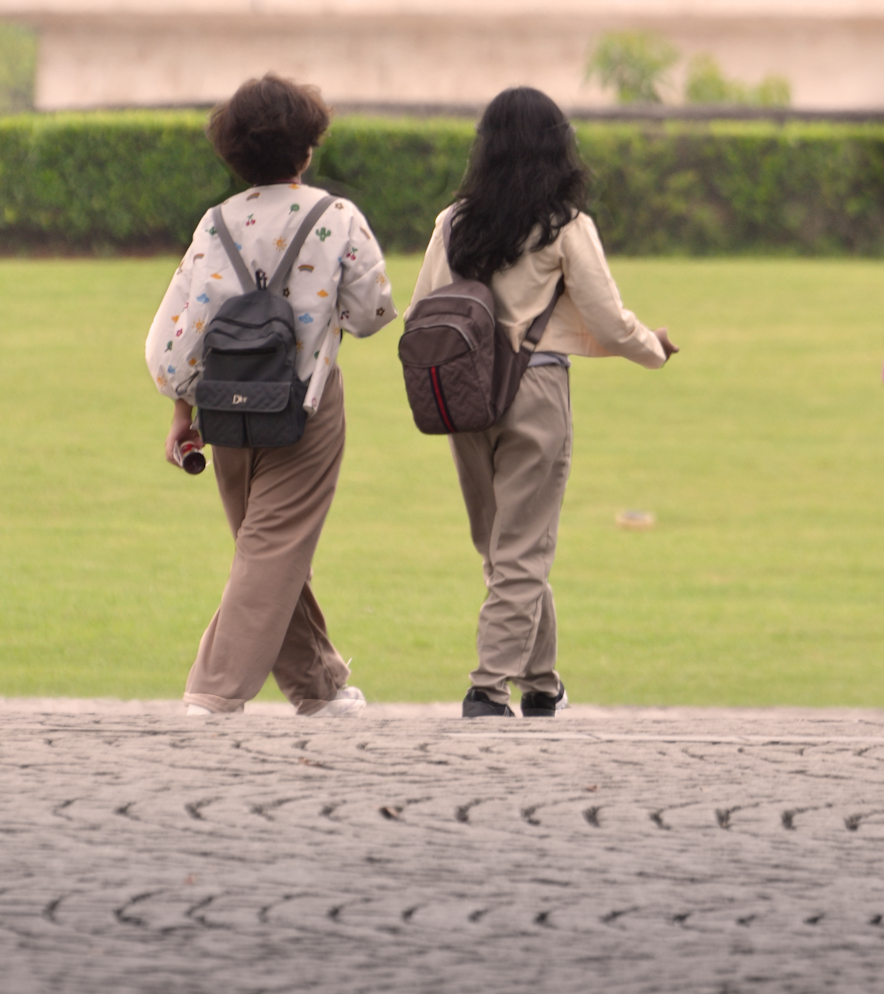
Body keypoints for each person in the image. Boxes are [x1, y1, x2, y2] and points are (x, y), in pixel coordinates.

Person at [407, 87, 678, 719]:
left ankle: (542, 682)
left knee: (501, 544)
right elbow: (609, 321)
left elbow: (423, 309)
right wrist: (654, 349)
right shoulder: (564, 225)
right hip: (534, 390)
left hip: (464, 394)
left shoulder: (455, 222)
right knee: (522, 547)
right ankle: (487, 686)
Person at [146, 73, 396, 718]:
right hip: (304, 405)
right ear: (307, 148)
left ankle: (320, 686)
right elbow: (372, 314)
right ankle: (213, 690)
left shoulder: (214, 223)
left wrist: (182, 410)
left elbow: (173, 338)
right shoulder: (335, 217)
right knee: (272, 547)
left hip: (221, 408)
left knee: (264, 543)